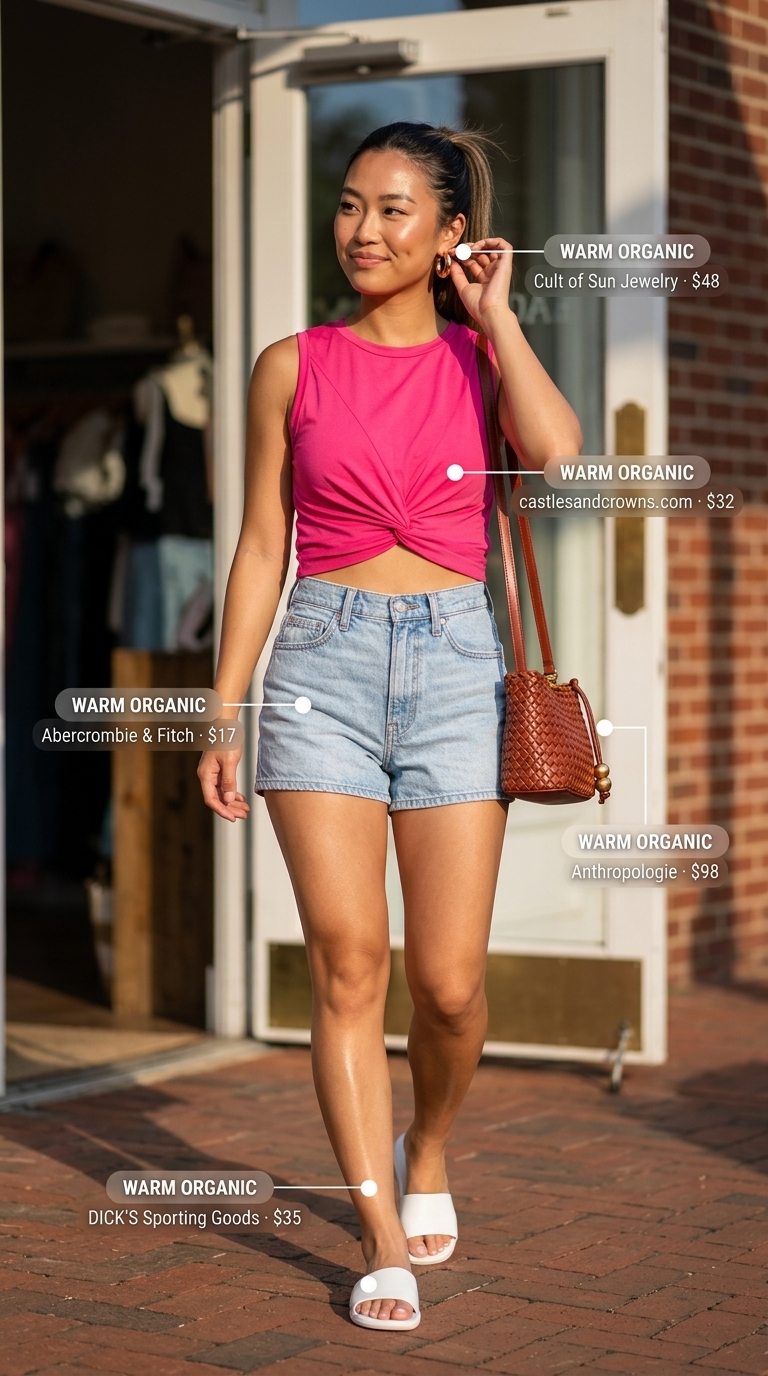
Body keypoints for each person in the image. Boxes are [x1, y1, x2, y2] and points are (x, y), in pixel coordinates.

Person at [198, 122, 582, 1331]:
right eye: (351, 204)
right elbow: (262, 544)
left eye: (396, 208)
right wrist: (224, 703)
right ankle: (376, 1236)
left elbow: (557, 455)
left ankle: (432, 1144)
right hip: (319, 662)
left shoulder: (479, 362)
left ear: (454, 232)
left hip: (460, 665)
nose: (364, 229)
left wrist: (498, 316)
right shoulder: (290, 365)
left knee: (450, 985)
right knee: (349, 960)